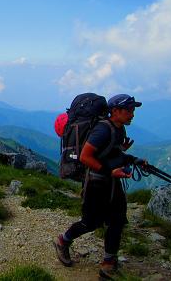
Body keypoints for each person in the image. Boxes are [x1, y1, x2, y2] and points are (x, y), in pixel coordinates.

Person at [54, 94, 144, 279]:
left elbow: (112, 154)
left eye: (133, 110)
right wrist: (110, 171)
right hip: (96, 183)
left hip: (111, 183)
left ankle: (108, 263)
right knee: (90, 222)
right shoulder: (103, 130)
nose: (132, 114)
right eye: (129, 110)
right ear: (115, 111)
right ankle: (63, 241)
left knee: (117, 220)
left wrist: (133, 159)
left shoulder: (118, 129)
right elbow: (85, 157)